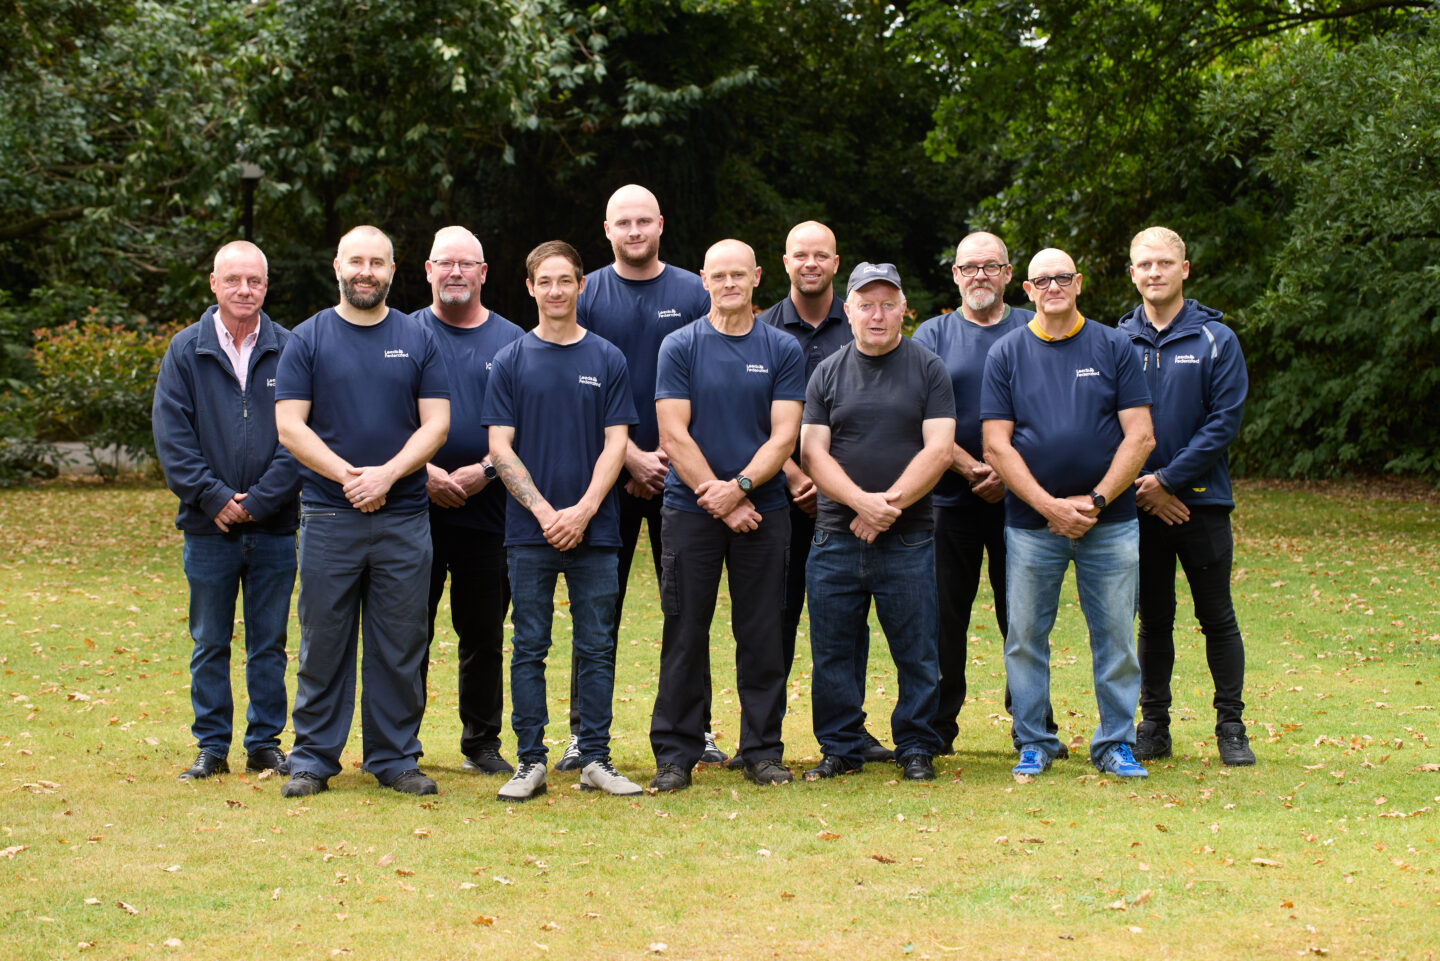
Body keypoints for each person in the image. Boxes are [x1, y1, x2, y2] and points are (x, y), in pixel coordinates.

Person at [274, 225, 451, 798]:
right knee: (322, 640)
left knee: (401, 642)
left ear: (393, 271)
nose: (366, 271)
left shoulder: (418, 338)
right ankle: (313, 759)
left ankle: (395, 758)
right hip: (329, 516)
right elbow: (289, 425)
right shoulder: (308, 338)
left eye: (377, 262)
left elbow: (437, 423)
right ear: (337, 267)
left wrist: (387, 475)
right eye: (357, 261)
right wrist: (348, 476)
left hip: (403, 518)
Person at [561, 184, 721, 771]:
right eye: (622, 223)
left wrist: (675, 459)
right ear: (606, 230)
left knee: (687, 607)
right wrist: (628, 456)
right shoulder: (588, 293)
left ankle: (695, 728)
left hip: (683, 475)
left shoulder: (692, 290)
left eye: (643, 222)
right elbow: (578, 381)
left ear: (661, 225)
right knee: (597, 607)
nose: (633, 232)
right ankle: (584, 734)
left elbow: (712, 377)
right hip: (607, 476)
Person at [981, 247, 1155, 779]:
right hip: (1033, 526)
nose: (1053, 286)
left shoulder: (1114, 345)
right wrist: (1050, 506)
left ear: (1078, 283)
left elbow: (1141, 435)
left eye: (1062, 277)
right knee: (1026, 637)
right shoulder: (1006, 354)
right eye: (1042, 280)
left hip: (1112, 521)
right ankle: (1034, 741)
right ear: (1026, 290)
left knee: (1117, 638)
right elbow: (996, 445)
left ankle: (1115, 744)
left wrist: (1098, 499)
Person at [483, 240, 642, 802]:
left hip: (596, 531)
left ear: (580, 286)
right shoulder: (510, 360)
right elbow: (500, 447)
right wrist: (548, 513)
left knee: (596, 645)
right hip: (530, 532)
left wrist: (585, 510)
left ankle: (595, 757)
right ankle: (530, 763)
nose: (555, 291)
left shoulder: (607, 358)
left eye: (565, 281)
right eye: (544, 281)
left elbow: (617, 443)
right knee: (529, 645)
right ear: (530, 288)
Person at [648, 239, 805, 790]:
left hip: (762, 511)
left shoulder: (782, 348)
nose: (730, 283)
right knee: (684, 629)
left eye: (739, 274)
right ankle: (675, 753)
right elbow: (673, 432)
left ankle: (761, 750)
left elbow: (784, 434)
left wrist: (738, 490)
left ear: (758, 277)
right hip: (689, 510)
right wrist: (717, 497)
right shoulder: (679, 346)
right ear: (703, 279)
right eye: (719, 275)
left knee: (762, 631)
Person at [800, 262, 955, 782]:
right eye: (866, 304)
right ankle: (841, 748)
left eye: (888, 303)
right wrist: (861, 504)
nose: (877, 314)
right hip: (835, 537)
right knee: (834, 651)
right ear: (848, 310)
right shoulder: (827, 371)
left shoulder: (928, 367)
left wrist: (887, 506)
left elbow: (939, 448)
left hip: (908, 537)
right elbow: (813, 453)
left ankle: (915, 746)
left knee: (916, 651)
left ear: (904, 309)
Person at [152, 240, 299, 781]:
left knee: (270, 643)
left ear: (266, 285)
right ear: (213, 283)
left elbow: (301, 436)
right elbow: (173, 438)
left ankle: (264, 743)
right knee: (210, 640)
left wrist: (259, 503)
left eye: (254, 281)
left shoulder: (291, 348)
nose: (244, 290)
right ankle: (211, 746)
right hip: (207, 528)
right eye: (233, 279)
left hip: (276, 527)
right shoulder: (184, 350)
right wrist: (214, 499)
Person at [912, 232, 1061, 757]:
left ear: (1006, 273)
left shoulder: (1033, 327)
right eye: (969, 267)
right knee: (943, 619)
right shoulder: (932, 335)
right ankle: (936, 728)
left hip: (1020, 503)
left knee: (1023, 616)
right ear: (954, 274)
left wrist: (1009, 472)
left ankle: (1033, 725)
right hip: (947, 502)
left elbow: (1051, 411)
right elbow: (920, 414)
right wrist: (974, 468)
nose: (979, 275)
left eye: (990, 266)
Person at [756, 221, 894, 765]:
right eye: (800, 255)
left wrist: (848, 491)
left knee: (846, 621)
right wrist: (794, 475)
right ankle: (764, 736)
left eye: (821, 255)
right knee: (775, 618)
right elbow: (756, 417)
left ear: (836, 263)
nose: (810, 263)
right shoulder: (763, 328)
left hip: (853, 507)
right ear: (785, 263)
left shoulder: (862, 320)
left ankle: (848, 732)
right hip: (778, 500)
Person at [1118, 226, 1254, 766]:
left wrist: (1169, 482)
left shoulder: (1217, 339)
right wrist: (1142, 490)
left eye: (1164, 264)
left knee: (1216, 615)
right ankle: (1154, 725)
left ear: (1184, 269)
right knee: (1153, 620)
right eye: (1144, 264)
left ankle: (1231, 726)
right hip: (1137, 506)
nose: (1154, 272)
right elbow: (1107, 425)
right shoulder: (1115, 339)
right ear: (1132, 273)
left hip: (1202, 505)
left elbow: (1223, 424)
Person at [411, 226, 524, 776]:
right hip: (412, 511)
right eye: (445, 263)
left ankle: (482, 742)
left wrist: (486, 470)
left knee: (482, 632)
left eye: (466, 264)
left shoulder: (513, 341)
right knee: (408, 629)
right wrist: (425, 470)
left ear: (483, 273)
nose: (455, 272)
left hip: (490, 512)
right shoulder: (401, 333)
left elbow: (528, 423)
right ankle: (398, 742)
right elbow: (383, 416)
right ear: (428, 270)